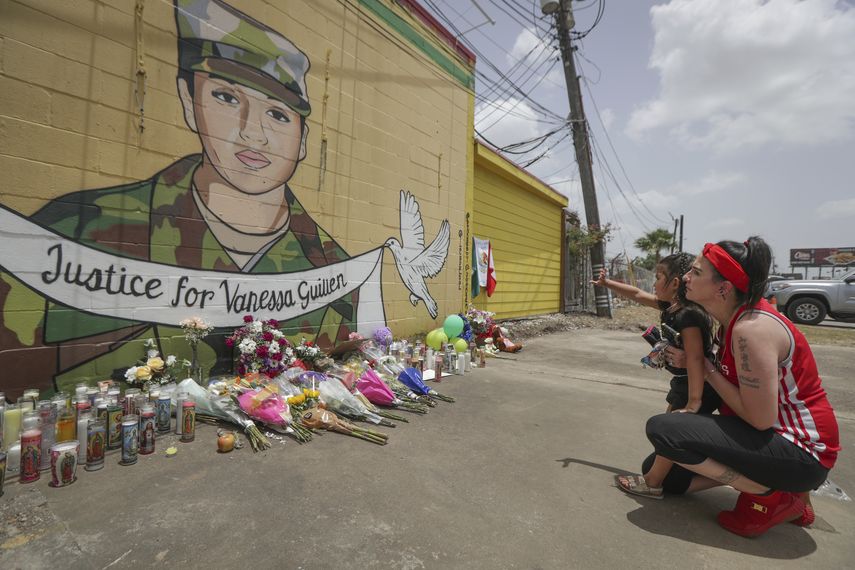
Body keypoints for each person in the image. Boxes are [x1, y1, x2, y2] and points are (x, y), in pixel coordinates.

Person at [0, 0, 357, 397]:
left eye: (278, 114)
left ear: (303, 139)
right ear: (189, 102)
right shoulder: (73, 232)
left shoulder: (335, 272)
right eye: (226, 97)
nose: (253, 133)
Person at [648, 237, 839, 537]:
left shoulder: (751, 330)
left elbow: (760, 419)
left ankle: (770, 494)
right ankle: (791, 494)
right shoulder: (732, 321)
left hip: (801, 452)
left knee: (665, 430)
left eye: (696, 272)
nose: (685, 277)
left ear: (723, 289)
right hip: (777, 441)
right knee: (668, 472)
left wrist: (705, 369)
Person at [592, 253, 720, 499]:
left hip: (697, 388)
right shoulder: (671, 307)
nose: (653, 282)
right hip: (684, 384)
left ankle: (653, 482)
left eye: (659, 276)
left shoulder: (689, 315)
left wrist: (694, 402)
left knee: (671, 435)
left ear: (674, 283)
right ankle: (659, 477)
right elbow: (637, 294)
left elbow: (695, 359)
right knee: (669, 432)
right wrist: (607, 283)